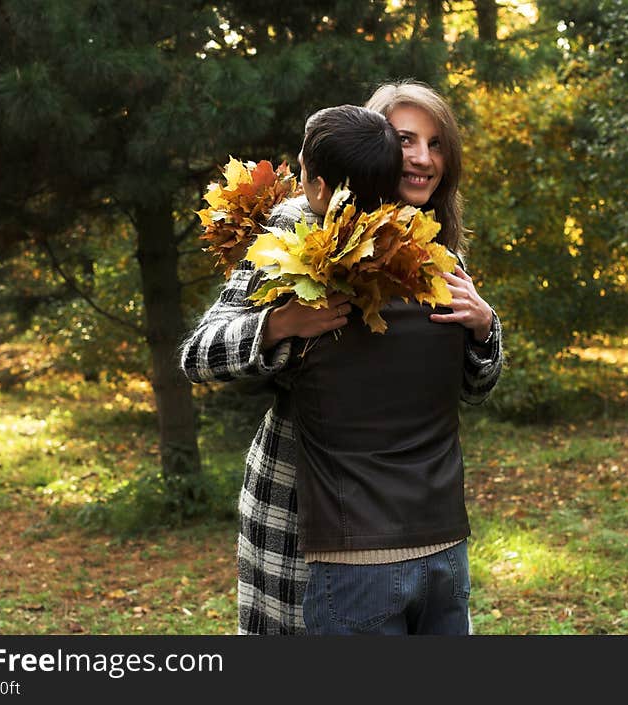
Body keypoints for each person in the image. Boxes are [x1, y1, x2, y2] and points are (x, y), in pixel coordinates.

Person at [180, 81, 503, 635]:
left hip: (422, 529)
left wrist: (483, 329)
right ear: (373, 142)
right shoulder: (295, 230)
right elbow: (200, 356)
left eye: (436, 143)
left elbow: (472, 391)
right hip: (303, 515)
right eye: (406, 140)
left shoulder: (440, 250)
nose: (423, 158)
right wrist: (276, 326)